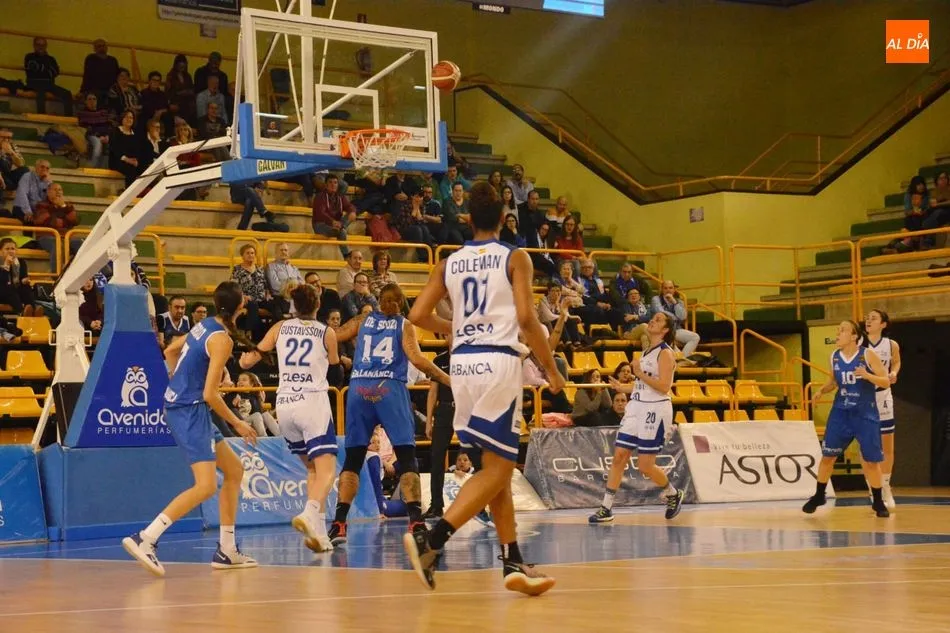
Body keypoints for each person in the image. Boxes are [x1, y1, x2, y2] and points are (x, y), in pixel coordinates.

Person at [405, 180, 563, 595]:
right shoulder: (516, 257)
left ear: (468, 218)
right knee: (499, 469)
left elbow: (419, 314)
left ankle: (511, 560)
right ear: (504, 219)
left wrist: (453, 327)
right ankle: (431, 541)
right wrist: (551, 370)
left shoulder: (449, 262)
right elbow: (529, 321)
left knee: (492, 468)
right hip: (497, 361)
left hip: (462, 366)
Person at [122, 281, 259, 577]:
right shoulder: (222, 339)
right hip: (190, 409)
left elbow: (171, 350)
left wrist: (180, 380)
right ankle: (146, 538)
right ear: (240, 307)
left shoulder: (204, 325)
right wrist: (238, 423)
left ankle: (226, 550)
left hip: (185, 405)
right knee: (206, 485)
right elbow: (211, 394)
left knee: (234, 471)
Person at [240, 284, 359, 553]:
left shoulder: (279, 328)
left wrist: (246, 359)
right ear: (317, 305)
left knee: (312, 469)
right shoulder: (326, 331)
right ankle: (310, 511)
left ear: (293, 306)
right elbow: (332, 361)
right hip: (312, 401)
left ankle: (318, 533)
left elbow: (249, 360)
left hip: (284, 405)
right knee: (329, 469)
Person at [329, 283, 450, 546]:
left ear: (378, 301)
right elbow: (417, 360)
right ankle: (416, 521)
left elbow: (333, 336)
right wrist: (448, 380)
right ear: (401, 303)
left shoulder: (363, 319)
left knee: (353, 459)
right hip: (389, 389)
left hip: (359, 388)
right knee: (407, 457)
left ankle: (339, 524)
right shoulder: (403, 324)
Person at [589, 312, 684, 524]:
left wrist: (639, 373)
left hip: (655, 410)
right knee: (619, 456)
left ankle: (672, 493)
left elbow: (664, 387)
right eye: (653, 318)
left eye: (658, 320)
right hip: (637, 407)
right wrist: (624, 387)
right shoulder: (646, 351)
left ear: (666, 330)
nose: (652, 320)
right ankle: (606, 508)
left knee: (645, 466)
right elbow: (644, 385)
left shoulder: (665, 354)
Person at [802, 320, 891, 518]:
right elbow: (833, 381)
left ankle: (877, 501)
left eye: (842, 330)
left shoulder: (867, 355)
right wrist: (821, 391)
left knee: (871, 461)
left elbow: (885, 380)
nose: (838, 333)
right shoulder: (834, 356)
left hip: (864, 413)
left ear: (853, 336)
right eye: (837, 330)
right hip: (841, 412)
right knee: (828, 456)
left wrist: (867, 375)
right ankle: (818, 495)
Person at [863, 309, 901, 510]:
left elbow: (896, 361)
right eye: (867, 318)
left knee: (887, 446)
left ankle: (885, 485)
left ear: (884, 324)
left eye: (873, 318)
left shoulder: (891, 344)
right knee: (867, 446)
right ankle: (872, 487)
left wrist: (893, 372)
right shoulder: (859, 344)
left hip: (883, 396)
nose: (868, 320)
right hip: (864, 397)